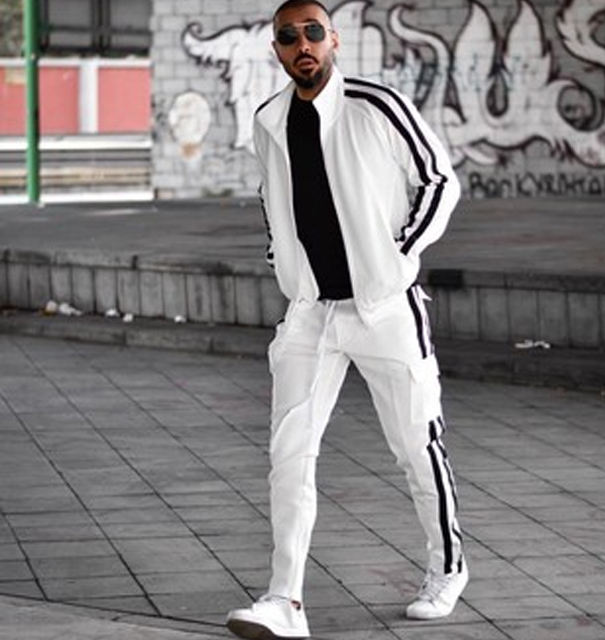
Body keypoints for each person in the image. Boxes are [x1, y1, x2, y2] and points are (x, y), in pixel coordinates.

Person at [226, 1, 467, 637]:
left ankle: (448, 567)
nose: (302, 45)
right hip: (311, 312)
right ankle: (285, 601)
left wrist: (396, 256)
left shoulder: (376, 105)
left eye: (313, 32)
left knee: (416, 445)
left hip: (384, 308)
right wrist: (281, 258)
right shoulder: (269, 120)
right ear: (277, 50)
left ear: (333, 39)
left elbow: (438, 181)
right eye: (288, 37)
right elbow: (272, 199)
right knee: (289, 454)